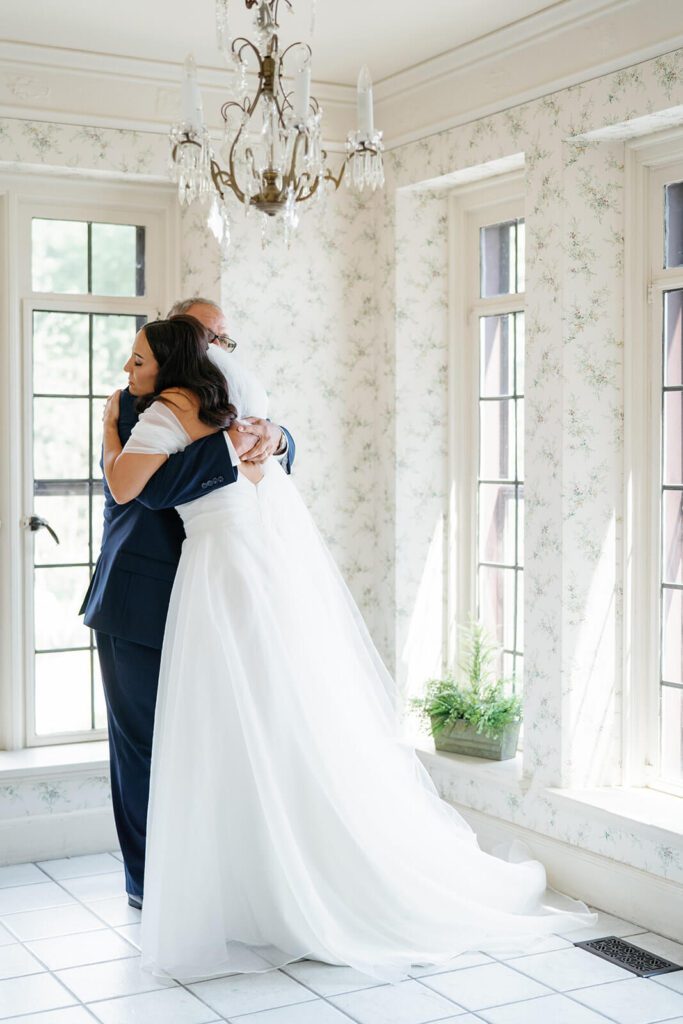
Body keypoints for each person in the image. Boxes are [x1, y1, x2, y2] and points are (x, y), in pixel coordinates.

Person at [102, 314, 596, 985]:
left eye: (136, 362)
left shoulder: (164, 410)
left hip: (215, 572)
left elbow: (127, 484)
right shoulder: (225, 401)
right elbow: (239, 468)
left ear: (168, 359)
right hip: (241, 562)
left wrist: (112, 432)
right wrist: (241, 450)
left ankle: (265, 885)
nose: (126, 374)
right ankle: (240, 879)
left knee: (226, 727)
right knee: (248, 724)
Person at [80, 297, 295, 908]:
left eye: (226, 339)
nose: (221, 350)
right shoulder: (131, 403)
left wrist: (272, 438)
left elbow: (277, 450)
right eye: (210, 337)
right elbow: (141, 493)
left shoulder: (225, 393)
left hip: (219, 593)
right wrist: (228, 447)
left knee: (220, 739)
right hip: (140, 599)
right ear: (183, 339)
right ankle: (150, 885)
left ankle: (218, 877)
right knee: (144, 745)